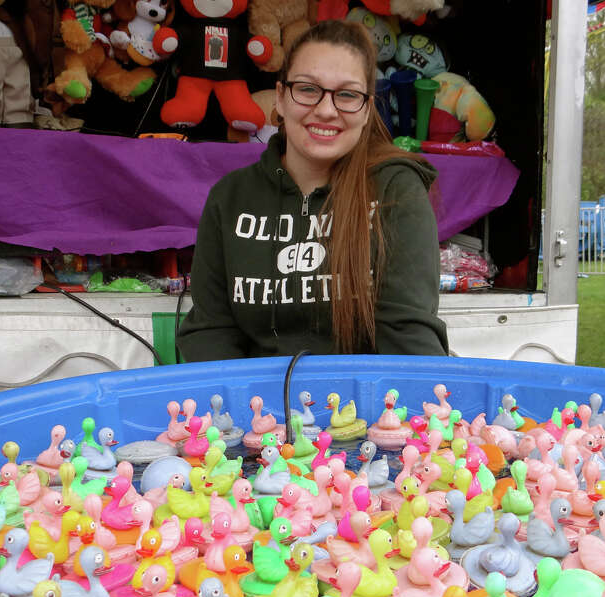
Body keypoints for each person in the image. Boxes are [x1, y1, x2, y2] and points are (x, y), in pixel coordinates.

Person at [177, 20, 449, 361]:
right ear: (280, 96)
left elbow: (410, 337)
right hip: (257, 409)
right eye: (307, 89)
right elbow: (211, 333)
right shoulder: (230, 198)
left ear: (367, 109)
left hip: (368, 408)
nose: (325, 109)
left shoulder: (396, 188)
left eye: (347, 95)